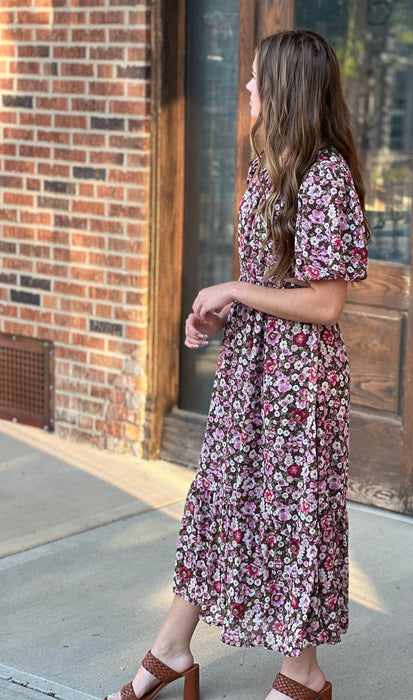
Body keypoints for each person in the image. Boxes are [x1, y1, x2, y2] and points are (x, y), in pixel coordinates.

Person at [105, 29, 369, 700]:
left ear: (282, 88)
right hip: (251, 367)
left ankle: (301, 672)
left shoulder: (326, 175)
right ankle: (172, 647)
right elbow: (270, 281)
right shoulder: (267, 164)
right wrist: (221, 314)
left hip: (298, 383)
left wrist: (232, 290)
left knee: (291, 517)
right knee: (221, 503)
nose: (247, 88)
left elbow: (326, 303)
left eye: (255, 78)